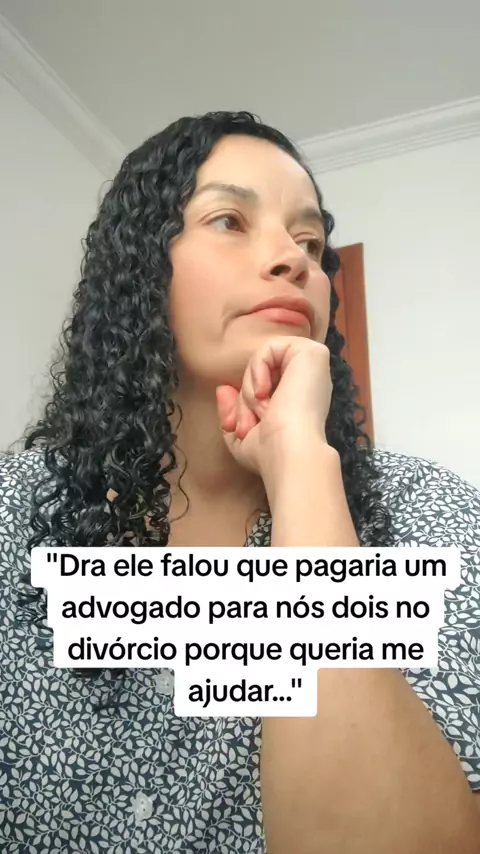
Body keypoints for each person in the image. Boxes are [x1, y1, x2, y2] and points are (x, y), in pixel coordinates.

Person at [0, 110, 479, 854]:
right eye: (229, 220)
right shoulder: (18, 510)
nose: (293, 259)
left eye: (311, 242)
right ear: (141, 268)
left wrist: (302, 471)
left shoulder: (426, 514)